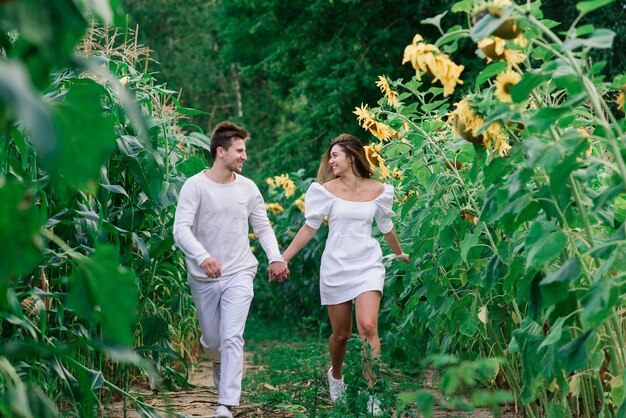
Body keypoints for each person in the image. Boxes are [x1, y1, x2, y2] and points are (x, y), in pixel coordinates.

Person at [281, 133, 409, 416]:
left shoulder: (379, 189)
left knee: (368, 326)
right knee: (341, 334)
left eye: (336, 155)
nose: (331, 161)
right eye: (330, 157)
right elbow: (309, 227)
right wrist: (283, 258)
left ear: (352, 157)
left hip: (367, 263)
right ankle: (336, 376)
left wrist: (399, 254)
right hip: (336, 265)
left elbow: (386, 226)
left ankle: (373, 393)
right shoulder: (324, 190)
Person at [173, 121, 289, 418]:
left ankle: (226, 404)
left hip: (240, 272)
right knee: (213, 341)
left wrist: (275, 257)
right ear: (220, 152)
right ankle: (217, 361)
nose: (244, 156)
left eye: (245, 150)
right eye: (239, 150)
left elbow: (262, 228)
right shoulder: (195, 186)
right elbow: (180, 230)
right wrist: (203, 257)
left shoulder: (248, 187)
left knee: (232, 336)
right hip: (204, 277)